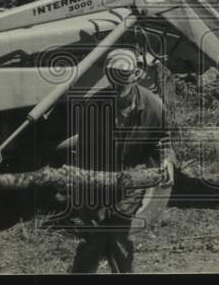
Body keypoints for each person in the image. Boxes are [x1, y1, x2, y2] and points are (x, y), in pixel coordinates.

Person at [69, 48, 176, 274]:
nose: (120, 87)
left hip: (132, 179)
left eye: (125, 79)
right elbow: (84, 150)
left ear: (135, 75)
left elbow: (164, 140)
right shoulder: (93, 106)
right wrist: (81, 185)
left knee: (119, 236)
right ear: (108, 76)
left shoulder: (154, 106)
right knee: (93, 239)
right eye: (115, 78)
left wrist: (167, 161)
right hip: (97, 179)